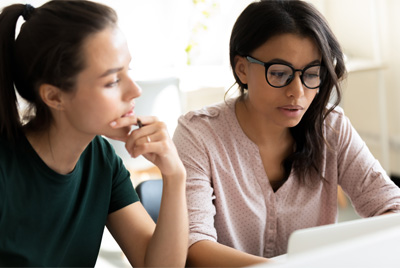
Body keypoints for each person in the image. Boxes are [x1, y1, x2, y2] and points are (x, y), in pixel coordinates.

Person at [172, 0, 400, 266]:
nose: (298, 93)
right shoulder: (198, 134)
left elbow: (391, 208)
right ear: (242, 69)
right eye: (280, 74)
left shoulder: (331, 127)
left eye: (312, 74)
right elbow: (194, 247)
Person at [0, 1, 187, 267]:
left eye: (128, 70)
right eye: (112, 81)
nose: (135, 91)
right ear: (54, 96)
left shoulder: (101, 158)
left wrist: (175, 175)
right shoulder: (6, 173)